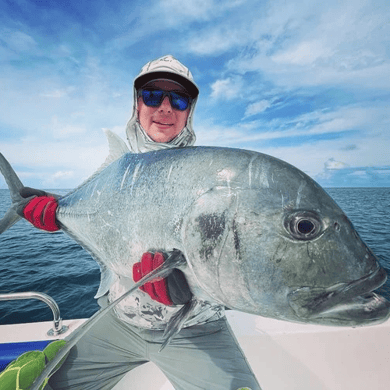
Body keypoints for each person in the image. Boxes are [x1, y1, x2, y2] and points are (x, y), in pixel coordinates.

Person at [17, 55, 261, 390]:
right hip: (117, 320)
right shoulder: (117, 170)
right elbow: (95, 216)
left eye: (178, 100)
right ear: (137, 104)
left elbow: (229, 260)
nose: (164, 108)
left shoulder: (211, 178)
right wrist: (57, 212)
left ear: (190, 111)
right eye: (152, 96)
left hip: (195, 329)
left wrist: (189, 290)